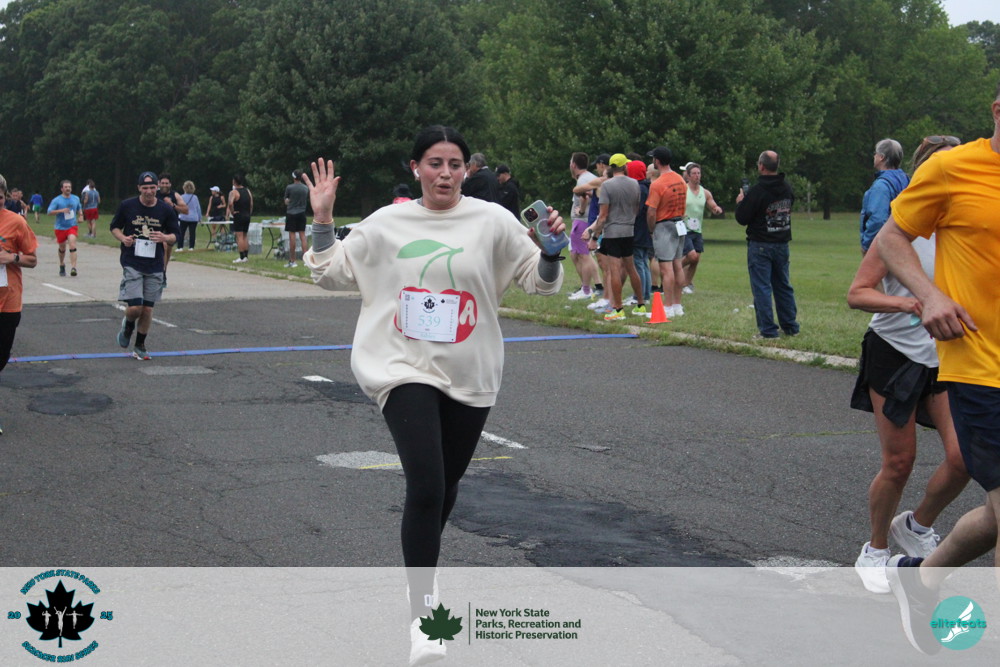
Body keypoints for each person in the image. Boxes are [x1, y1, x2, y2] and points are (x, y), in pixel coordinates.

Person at [302, 125, 564, 666]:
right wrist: (323, 219)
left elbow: (538, 282)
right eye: (435, 163)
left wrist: (553, 252)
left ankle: (419, 570)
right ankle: (426, 618)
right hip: (401, 366)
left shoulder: (493, 220)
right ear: (415, 168)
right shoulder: (388, 221)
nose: (445, 174)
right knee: (425, 486)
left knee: (444, 488)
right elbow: (331, 272)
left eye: (455, 164)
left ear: (468, 170)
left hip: (470, 370)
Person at [879, 87, 1000, 654]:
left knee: (995, 513)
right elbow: (891, 237)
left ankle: (920, 578)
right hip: (980, 366)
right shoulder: (953, 169)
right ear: (998, 109)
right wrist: (928, 295)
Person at [846, 136, 969, 594]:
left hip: (944, 357)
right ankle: (875, 550)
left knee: (965, 457)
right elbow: (858, 293)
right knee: (899, 462)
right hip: (894, 352)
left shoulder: (965, 229)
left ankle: (916, 525)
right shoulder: (900, 231)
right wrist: (912, 303)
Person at [110, 172, 179, 361]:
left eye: (152, 187)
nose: (149, 191)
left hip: (155, 264)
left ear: (157, 188)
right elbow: (114, 227)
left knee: (147, 309)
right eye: (145, 188)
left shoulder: (166, 209)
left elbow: (175, 235)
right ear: (139, 188)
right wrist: (123, 238)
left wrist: (165, 237)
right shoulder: (127, 206)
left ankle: (140, 345)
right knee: (135, 308)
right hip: (132, 261)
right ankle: (128, 324)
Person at [734, 150, 799, 338]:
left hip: (760, 243)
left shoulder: (757, 191)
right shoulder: (786, 187)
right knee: (783, 285)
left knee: (762, 288)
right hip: (782, 242)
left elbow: (742, 218)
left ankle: (768, 330)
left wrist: (741, 202)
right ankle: (790, 326)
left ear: (761, 166)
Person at [583, 153, 645, 320]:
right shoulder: (634, 184)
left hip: (613, 232)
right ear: (624, 166)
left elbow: (603, 216)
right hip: (629, 230)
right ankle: (640, 304)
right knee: (631, 268)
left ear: (611, 167)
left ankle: (618, 308)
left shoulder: (607, 186)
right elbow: (636, 208)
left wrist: (594, 237)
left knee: (615, 270)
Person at [0, 180, 39, 435]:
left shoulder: (16, 222)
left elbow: (32, 259)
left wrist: (11, 257)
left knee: (1, 358)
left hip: (8, 302)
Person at [645, 146, 688, 317]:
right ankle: (677, 305)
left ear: (657, 161)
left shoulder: (657, 184)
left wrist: (651, 229)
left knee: (666, 268)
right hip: (679, 224)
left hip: (664, 226)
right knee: (678, 265)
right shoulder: (680, 179)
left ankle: (668, 307)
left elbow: (651, 212)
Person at [859, 139, 908, 254]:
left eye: (875, 153)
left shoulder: (881, 185)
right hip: (905, 243)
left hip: (885, 248)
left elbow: (878, 219)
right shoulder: (907, 180)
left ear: (881, 157)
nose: (874, 156)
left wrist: (867, 246)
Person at [680, 163, 723, 294]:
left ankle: (685, 285)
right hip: (684, 228)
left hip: (697, 230)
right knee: (692, 256)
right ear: (688, 176)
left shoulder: (705, 192)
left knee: (696, 259)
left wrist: (716, 209)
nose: (697, 176)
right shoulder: (683, 189)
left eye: (698, 173)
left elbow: (713, 205)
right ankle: (673, 269)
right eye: (694, 173)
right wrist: (679, 213)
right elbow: (675, 204)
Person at [566, 152, 601, 302]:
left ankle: (586, 289)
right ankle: (595, 286)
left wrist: (580, 211)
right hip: (589, 220)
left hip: (583, 220)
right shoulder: (591, 177)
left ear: (573, 165)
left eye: (570, 162)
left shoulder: (582, 180)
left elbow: (584, 196)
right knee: (578, 254)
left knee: (583, 255)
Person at [155, 173, 189, 279]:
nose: (164, 185)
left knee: (168, 250)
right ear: (158, 183)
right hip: (158, 224)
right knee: (164, 247)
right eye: (162, 183)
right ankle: (160, 272)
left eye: (167, 183)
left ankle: (164, 270)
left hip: (171, 225)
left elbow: (186, 210)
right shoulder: (154, 194)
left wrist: (172, 205)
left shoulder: (175, 195)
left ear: (170, 184)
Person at [47, 180, 83, 277]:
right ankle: (62, 264)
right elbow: (49, 212)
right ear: (62, 189)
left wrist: (81, 216)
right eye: (66, 187)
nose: (68, 189)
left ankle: (73, 268)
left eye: (69, 187)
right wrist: (61, 210)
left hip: (72, 226)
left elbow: (79, 208)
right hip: (60, 227)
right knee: (62, 248)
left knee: (72, 245)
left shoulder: (76, 198)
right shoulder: (57, 200)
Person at [283, 170, 309, 268]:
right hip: (302, 213)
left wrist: (289, 201)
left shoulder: (289, 187)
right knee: (303, 236)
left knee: (292, 236)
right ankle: (306, 260)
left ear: (294, 177)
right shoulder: (305, 188)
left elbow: (286, 201)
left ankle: (292, 261)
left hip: (291, 213)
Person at [227, 174, 253, 263]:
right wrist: (249, 212)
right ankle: (246, 256)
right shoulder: (247, 191)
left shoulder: (234, 192)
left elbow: (230, 203)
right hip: (247, 215)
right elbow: (251, 203)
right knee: (245, 235)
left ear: (234, 181)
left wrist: (232, 211)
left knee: (239, 236)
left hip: (239, 214)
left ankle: (241, 257)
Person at [177, 181, 202, 252]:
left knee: (181, 232)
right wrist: (200, 218)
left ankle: (180, 247)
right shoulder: (195, 197)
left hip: (184, 217)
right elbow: (198, 208)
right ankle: (191, 247)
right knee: (192, 233)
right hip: (193, 218)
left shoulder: (181, 197)